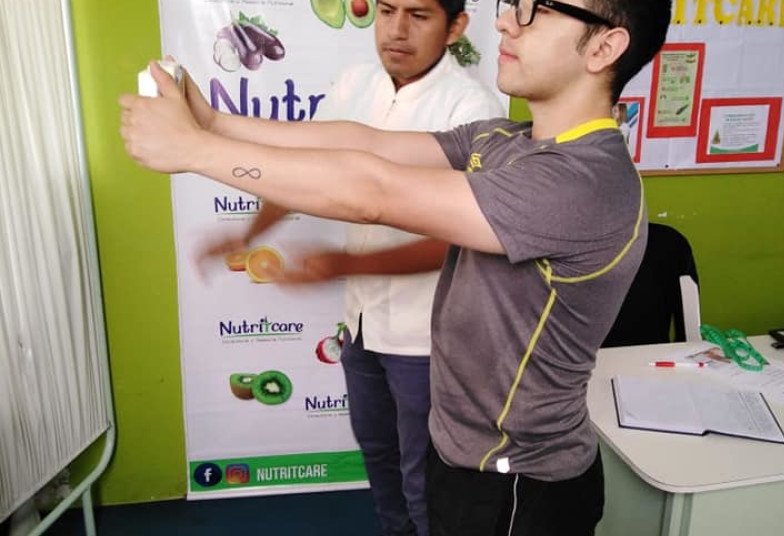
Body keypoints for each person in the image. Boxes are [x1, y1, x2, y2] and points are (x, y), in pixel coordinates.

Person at [120, 0, 672, 533]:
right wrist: (212, 122)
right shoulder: (506, 140)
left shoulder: (583, 182)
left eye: (538, 9)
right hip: (462, 450)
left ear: (604, 46)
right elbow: (362, 144)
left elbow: (373, 192)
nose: (507, 21)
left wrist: (193, 151)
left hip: (516, 482)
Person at [197, 1, 504, 534]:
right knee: (379, 457)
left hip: (426, 337)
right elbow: (304, 172)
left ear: (455, 26)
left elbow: (459, 239)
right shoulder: (354, 84)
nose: (397, 30)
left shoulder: (473, 109)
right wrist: (248, 234)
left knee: (424, 479)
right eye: (386, 10)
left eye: (419, 15)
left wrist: (347, 262)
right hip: (361, 324)